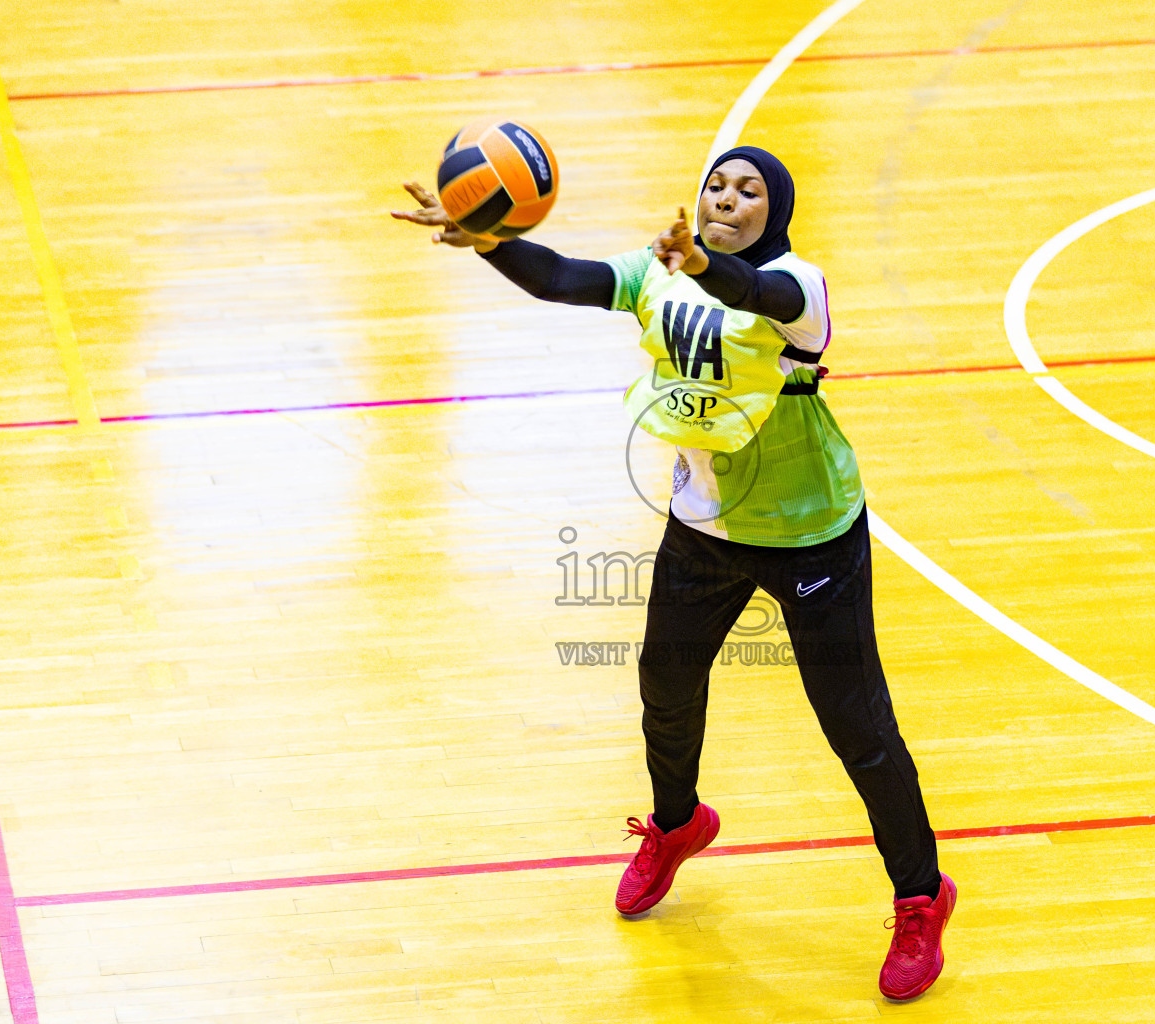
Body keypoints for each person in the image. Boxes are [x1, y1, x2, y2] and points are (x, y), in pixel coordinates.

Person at [394, 146, 954, 1001]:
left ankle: (921, 896)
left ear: (779, 210)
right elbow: (562, 277)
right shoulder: (656, 272)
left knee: (858, 728)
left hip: (812, 539)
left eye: (749, 189)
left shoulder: (800, 287)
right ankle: (677, 824)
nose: (728, 196)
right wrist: (487, 237)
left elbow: (755, 293)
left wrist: (707, 263)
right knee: (666, 688)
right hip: (703, 527)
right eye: (717, 184)